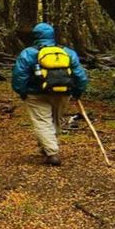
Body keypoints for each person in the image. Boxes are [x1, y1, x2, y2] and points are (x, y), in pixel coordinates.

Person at [12, 23, 88, 166]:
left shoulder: (28, 53)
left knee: (42, 122)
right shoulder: (67, 52)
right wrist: (78, 91)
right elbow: (80, 75)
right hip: (63, 93)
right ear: (53, 35)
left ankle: (52, 153)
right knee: (55, 121)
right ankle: (47, 147)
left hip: (35, 93)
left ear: (35, 36)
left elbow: (19, 75)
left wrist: (21, 91)